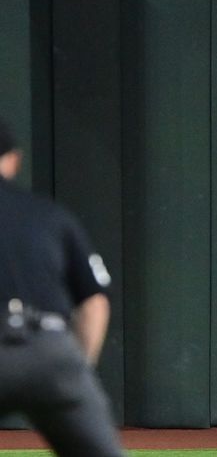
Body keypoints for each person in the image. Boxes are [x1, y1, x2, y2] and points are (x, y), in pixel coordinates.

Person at [0, 118, 126, 457]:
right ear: (14, 159)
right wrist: (77, 375)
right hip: (49, 349)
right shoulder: (51, 215)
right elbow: (94, 302)